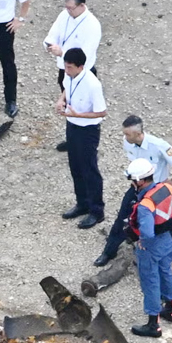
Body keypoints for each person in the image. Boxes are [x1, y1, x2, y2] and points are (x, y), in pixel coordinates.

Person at [94, 115, 172, 271]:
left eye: (127, 134)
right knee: (123, 218)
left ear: (138, 134)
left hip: (158, 190)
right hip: (138, 187)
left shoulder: (157, 145)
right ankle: (109, 251)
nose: (124, 137)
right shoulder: (128, 143)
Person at [125, 159, 172, 338]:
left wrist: (141, 241)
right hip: (167, 241)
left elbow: (147, 232)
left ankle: (153, 324)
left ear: (140, 181)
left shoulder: (145, 205)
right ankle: (171, 310)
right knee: (166, 272)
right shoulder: (168, 189)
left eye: (133, 180)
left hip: (151, 247)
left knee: (150, 281)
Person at [43, 0, 102, 152]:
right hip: (65, 69)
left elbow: (86, 55)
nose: (67, 11)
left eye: (71, 8)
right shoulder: (64, 15)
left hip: (82, 71)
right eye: (66, 7)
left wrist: (61, 53)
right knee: (68, 104)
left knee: (84, 108)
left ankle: (87, 142)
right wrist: (50, 45)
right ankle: (72, 139)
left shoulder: (92, 25)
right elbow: (52, 34)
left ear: (82, 5)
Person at [56, 48, 107, 229]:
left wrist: (80, 115)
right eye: (65, 66)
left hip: (88, 130)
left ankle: (96, 210)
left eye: (69, 67)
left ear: (81, 67)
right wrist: (61, 100)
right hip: (72, 125)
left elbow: (102, 112)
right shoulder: (68, 75)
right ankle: (82, 202)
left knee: (89, 169)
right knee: (75, 165)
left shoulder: (93, 84)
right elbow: (65, 87)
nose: (66, 70)